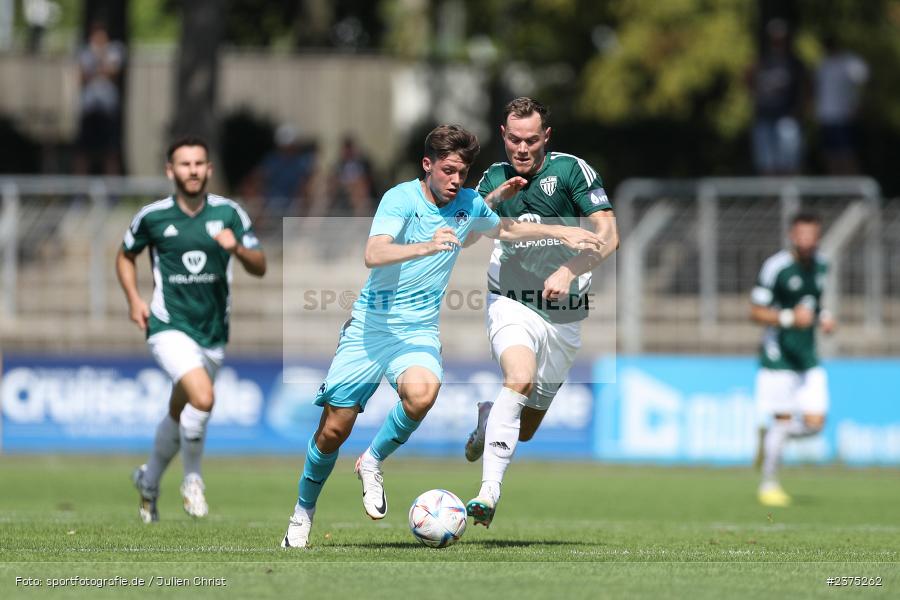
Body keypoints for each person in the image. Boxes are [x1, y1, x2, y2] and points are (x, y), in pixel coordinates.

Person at [280, 124, 604, 548]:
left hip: (416, 331)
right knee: (333, 430)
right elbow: (373, 253)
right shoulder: (399, 198)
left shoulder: (468, 202)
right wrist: (425, 246)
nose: (456, 181)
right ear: (427, 165)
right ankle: (302, 513)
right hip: (369, 327)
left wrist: (560, 231)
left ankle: (372, 460)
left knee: (423, 393)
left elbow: (503, 229)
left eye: (463, 173)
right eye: (448, 171)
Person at [462, 97, 619, 528]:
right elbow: (463, 237)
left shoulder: (571, 171)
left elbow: (609, 235)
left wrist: (570, 270)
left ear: (546, 137)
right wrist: (491, 199)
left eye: (532, 140)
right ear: (503, 135)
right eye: (514, 140)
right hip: (509, 299)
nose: (523, 149)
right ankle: (488, 494)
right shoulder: (493, 179)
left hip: (565, 313)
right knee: (519, 377)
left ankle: (486, 421)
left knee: (525, 428)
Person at [116, 136, 266, 523]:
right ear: (171, 171)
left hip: (213, 332)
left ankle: (148, 480)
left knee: (178, 407)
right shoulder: (153, 217)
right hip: (167, 325)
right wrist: (134, 299)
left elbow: (260, 264)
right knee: (203, 396)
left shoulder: (230, 214)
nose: (193, 170)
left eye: (199, 163)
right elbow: (125, 256)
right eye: (185, 164)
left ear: (209, 169)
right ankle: (192, 480)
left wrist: (237, 248)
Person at [750, 212, 835, 507]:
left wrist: (824, 318)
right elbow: (755, 312)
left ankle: (771, 436)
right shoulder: (776, 267)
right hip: (779, 356)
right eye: (801, 235)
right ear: (792, 236)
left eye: (812, 236)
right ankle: (769, 484)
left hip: (807, 355)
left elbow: (815, 302)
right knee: (783, 418)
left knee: (815, 423)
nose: (807, 241)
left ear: (818, 237)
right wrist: (788, 317)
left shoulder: (822, 265)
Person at [747, 19, 807, 175]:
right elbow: (746, 80)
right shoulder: (761, 61)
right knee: (766, 163)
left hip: (787, 116)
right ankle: (770, 199)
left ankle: (789, 198)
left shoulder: (794, 62)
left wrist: (800, 109)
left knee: (789, 161)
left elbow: (805, 87)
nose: (777, 42)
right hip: (764, 116)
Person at [74, 21, 125, 175]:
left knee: (110, 152)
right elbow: (82, 76)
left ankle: (112, 195)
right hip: (90, 108)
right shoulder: (84, 52)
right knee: (84, 152)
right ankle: (79, 193)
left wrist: (100, 56)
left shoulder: (115, 50)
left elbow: (112, 72)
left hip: (107, 108)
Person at [815, 35, 869, 175]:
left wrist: (858, 105)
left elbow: (864, 84)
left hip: (844, 115)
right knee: (830, 155)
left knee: (847, 154)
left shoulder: (850, 62)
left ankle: (854, 190)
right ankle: (838, 190)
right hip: (826, 116)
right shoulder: (823, 64)